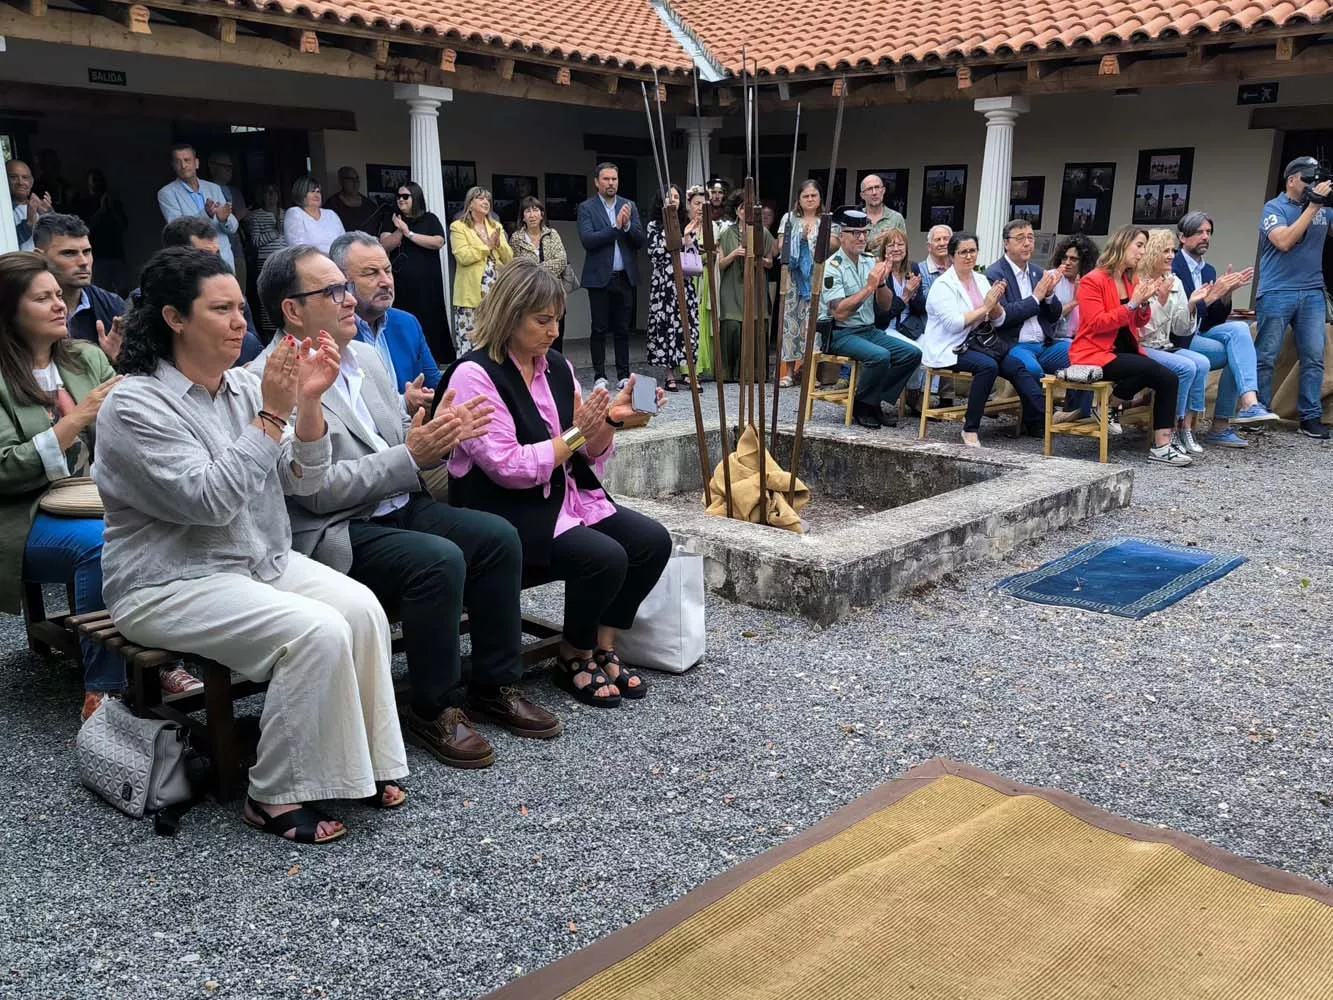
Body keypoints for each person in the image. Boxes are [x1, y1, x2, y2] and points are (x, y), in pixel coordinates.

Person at [95, 246, 408, 842]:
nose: (242, 322)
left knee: (361, 610)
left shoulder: (243, 386)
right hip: (167, 583)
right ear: (174, 318)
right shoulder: (134, 404)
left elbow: (305, 479)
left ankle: (360, 764)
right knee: (313, 632)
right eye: (222, 310)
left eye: (242, 308)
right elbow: (207, 500)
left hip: (255, 561)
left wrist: (309, 403)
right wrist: (272, 414)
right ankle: (274, 793)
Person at [249, 245, 557, 768]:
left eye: (346, 287)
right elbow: (310, 491)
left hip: (398, 502)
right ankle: (433, 706)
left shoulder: (363, 356)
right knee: (437, 560)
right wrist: (410, 454)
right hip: (336, 528)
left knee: (497, 537)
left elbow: (388, 439)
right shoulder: (271, 376)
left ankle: (495, 683)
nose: (349, 299)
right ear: (292, 310)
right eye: (334, 290)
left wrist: (427, 432)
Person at [444, 259, 672, 709]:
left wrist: (609, 420)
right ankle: (574, 653)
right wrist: (579, 433)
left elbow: (589, 452)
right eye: (542, 320)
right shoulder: (475, 374)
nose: (552, 331)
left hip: (560, 500)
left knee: (651, 541)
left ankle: (603, 644)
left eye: (557, 320)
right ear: (510, 315)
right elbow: (508, 465)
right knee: (604, 557)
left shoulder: (556, 367)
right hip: (503, 510)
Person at [0, 252, 140, 720]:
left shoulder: (86, 357)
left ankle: (168, 657)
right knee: (101, 546)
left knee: (168, 520)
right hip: (24, 513)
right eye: (42, 298)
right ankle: (105, 689)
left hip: (94, 495)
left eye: (58, 295)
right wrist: (76, 419)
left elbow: (127, 438)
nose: (60, 305)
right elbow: (4, 469)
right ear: (10, 311)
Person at [1070, 225, 1189, 466]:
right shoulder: (1093, 280)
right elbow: (1096, 324)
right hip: (1095, 352)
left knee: (1168, 377)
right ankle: (1115, 408)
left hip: (1125, 348)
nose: (1143, 252)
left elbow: (1138, 321)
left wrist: (1144, 304)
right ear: (1122, 245)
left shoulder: (1130, 278)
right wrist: (1133, 304)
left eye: (1144, 246)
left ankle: (1162, 444)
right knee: (1152, 369)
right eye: (1139, 245)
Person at [1173, 211, 1278, 447]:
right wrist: (1211, 297)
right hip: (1178, 337)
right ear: (1182, 237)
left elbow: (1213, 322)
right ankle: (1221, 425)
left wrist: (1226, 295)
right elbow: (1176, 318)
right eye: (1199, 232)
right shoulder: (1173, 266)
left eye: (1208, 232)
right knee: (1236, 355)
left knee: (1240, 329)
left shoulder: (1208, 270)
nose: (1205, 237)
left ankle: (1249, 403)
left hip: (1200, 332)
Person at [817, 208, 921, 429]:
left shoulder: (869, 260)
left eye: (864, 232)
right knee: (880, 356)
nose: (862, 237)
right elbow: (840, 312)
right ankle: (864, 406)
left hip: (868, 329)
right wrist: (869, 287)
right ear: (841, 235)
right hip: (840, 332)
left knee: (912, 354)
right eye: (855, 233)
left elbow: (884, 306)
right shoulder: (831, 267)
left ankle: (869, 400)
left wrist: (881, 283)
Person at [1256, 156, 1333, 439]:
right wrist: (1313, 206)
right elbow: (1284, 241)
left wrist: (1321, 201)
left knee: (1314, 356)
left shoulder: (1322, 209)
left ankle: (1309, 417)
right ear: (1291, 180)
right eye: (1308, 180)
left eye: (1317, 181)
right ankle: (1258, 413)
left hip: (1312, 290)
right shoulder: (1274, 208)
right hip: (1277, 290)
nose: (1313, 186)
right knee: (1266, 356)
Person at [919, 231, 1016, 446]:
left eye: (973, 251)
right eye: (963, 252)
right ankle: (970, 428)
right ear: (952, 256)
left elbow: (998, 321)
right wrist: (986, 307)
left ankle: (1035, 421)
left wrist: (996, 305)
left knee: (1016, 364)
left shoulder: (981, 279)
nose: (969, 256)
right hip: (951, 345)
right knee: (988, 367)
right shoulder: (943, 285)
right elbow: (954, 324)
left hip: (979, 341)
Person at [330, 231, 439, 410]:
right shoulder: (333, 333)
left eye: (388, 271)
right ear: (342, 283)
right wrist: (405, 404)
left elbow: (435, 385)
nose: (386, 282)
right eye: (371, 273)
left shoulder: (407, 324)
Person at [985, 219, 1077, 430]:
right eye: (1020, 239)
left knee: (1082, 354)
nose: (1027, 243)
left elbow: (1053, 316)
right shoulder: (995, 274)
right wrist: (1036, 298)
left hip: (1044, 344)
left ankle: (1075, 413)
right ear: (1006, 244)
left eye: (1030, 238)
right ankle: (1037, 422)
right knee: (1032, 370)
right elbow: (1003, 317)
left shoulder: (1037, 272)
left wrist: (1049, 296)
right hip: (1014, 344)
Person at [1135, 228, 1216, 455]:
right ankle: (1170, 429)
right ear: (1152, 252)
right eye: (1165, 251)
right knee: (1186, 367)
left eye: (1172, 250)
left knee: (1202, 363)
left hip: (1165, 345)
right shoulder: (1138, 282)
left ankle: (1186, 427)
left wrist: (1191, 304)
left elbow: (1180, 328)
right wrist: (1159, 302)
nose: (1172, 255)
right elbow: (1142, 330)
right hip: (1143, 346)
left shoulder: (1174, 281)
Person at [160, 217, 264, 365]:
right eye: (221, 308)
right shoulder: (146, 299)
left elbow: (251, 348)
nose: (215, 264)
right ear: (174, 318)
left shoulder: (233, 296)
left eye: (217, 255)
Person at [577, 163, 645, 391]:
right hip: (599, 278)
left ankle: (624, 375)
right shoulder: (587, 208)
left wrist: (626, 228)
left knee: (623, 328)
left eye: (614, 179)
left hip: (624, 276)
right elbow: (588, 240)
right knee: (599, 328)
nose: (611, 183)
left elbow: (639, 239)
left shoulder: (629, 205)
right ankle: (600, 375)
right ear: (597, 182)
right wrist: (616, 228)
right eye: (606, 179)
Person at [32, 214, 125, 358]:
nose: (83, 262)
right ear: (40, 257)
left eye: (87, 252)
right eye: (69, 253)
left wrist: (115, 361)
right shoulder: (23, 311)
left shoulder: (113, 305)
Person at [382, 181, 449, 364]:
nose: (401, 200)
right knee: (404, 318)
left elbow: (438, 242)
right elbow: (384, 244)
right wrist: (400, 230)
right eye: (398, 196)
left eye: (405, 196)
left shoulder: (429, 218)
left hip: (428, 281)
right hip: (402, 281)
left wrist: (409, 232)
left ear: (415, 197)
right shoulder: (392, 219)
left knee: (429, 317)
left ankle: (434, 359)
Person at [716, 191, 777, 385]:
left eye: (750, 208)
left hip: (755, 284)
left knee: (755, 324)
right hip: (731, 285)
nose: (746, 211)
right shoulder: (726, 233)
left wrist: (757, 258)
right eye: (742, 207)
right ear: (737, 210)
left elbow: (770, 262)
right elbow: (720, 264)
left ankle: (754, 373)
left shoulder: (763, 232)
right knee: (732, 325)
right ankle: (728, 373)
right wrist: (735, 253)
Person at [645, 184, 701, 392]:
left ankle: (691, 374)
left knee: (688, 327)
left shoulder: (686, 222)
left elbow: (692, 250)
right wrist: (678, 240)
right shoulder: (654, 226)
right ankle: (669, 374)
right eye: (670, 197)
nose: (674, 200)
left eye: (677, 197)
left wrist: (687, 238)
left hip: (684, 281)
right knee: (667, 326)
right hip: (664, 283)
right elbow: (655, 254)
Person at [450, 186, 513, 361]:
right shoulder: (458, 227)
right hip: (470, 294)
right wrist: (487, 247)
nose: (486, 202)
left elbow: (508, 258)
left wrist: (499, 244)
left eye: (487, 199)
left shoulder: (496, 226)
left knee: (495, 337)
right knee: (469, 340)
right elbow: (463, 256)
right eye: (480, 199)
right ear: (470, 204)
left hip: (495, 291)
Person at [156, 143, 239, 270]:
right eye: (178, 162)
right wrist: (206, 214)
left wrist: (224, 219)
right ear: (173, 166)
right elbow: (178, 231)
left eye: (187, 160)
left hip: (223, 260)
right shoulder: (166, 193)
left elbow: (233, 227)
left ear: (196, 163)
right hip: (195, 263)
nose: (183, 165)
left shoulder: (214, 188)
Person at [775, 179, 823, 388]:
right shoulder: (790, 218)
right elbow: (779, 245)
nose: (810, 199)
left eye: (814, 195)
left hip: (815, 278)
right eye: (806, 196)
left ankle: (811, 374)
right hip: (793, 279)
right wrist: (798, 237)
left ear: (820, 198)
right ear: (799, 199)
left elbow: (835, 245)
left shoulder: (826, 221)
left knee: (813, 325)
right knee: (790, 325)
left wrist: (815, 238)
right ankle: (789, 372)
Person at [510, 195, 570, 354]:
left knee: (556, 335)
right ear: (522, 216)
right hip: (530, 294)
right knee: (535, 334)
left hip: (554, 292)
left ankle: (555, 368)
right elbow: (518, 266)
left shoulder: (552, 234)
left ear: (542, 214)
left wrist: (536, 271)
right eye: (527, 211)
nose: (532, 214)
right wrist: (536, 273)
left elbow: (561, 260)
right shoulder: (516, 238)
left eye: (535, 210)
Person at [71, 169, 129, 294]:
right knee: (100, 291)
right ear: (88, 183)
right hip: (97, 255)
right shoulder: (84, 204)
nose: (98, 184)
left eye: (101, 180)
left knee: (123, 291)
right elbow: (84, 230)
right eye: (94, 180)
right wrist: (101, 210)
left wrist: (111, 207)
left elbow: (124, 226)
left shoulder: (113, 202)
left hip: (116, 254)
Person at [245, 182, 286, 336]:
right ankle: (269, 333)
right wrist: (274, 233)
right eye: (267, 192)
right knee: (268, 295)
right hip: (266, 261)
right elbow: (255, 242)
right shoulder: (256, 216)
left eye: (274, 191)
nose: (271, 196)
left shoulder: (286, 213)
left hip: (285, 260)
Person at [872, 227, 926, 340]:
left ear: (906, 248)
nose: (896, 249)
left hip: (910, 328)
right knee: (919, 352)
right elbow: (881, 317)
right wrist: (905, 296)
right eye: (891, 245)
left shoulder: (913, 268)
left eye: (900, 245)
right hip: (887, 329)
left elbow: (921, 309)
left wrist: (914, 294)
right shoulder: (880, 271)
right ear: (884, 250)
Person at [207, 152, 249, 296]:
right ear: (212, 167)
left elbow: (243, 216)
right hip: (213, 251)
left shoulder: (235, 191)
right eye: (225, 166)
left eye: (231, 166)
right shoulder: (206, 190)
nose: (229, 170)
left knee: (240, 293)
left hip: (236, 249)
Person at [684, 186, 714, 381]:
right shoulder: (683, 227)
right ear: (689, 205)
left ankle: (700, 367)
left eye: (704, 205)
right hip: (688, 278)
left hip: (706, 276)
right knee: (687, 321)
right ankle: (687, 369)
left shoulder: (712, 228)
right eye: (696, 204)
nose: (699, 208)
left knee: (703, 322)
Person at [282, 176, 345, 254]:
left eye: (318, 191)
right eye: (312, 191)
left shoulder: (331, 214)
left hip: (337, 263)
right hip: (310, 264)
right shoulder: (295, 213)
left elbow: (343, 242)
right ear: (302, 193)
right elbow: (298, 249)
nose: (316, 195)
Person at [8, 160, 51, 252]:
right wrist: (29, 222)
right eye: (13, 177)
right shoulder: (5, 209)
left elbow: (59, 236)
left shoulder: (40, 205)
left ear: (31, 182)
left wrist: (47, 214)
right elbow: (7, 239)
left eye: (25, 177)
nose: (20, 182)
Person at [325, 166, 382, 235]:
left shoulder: (369, 205)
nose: (355, 182)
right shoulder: (331, 205)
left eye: (357, 179)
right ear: (341, 181)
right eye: (350, 179)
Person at [858, 174, 908, 242]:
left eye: (877, 187)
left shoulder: (896, 219)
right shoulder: (856, 218)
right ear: (862, 195)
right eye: (869, 189)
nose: (874, 192)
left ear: (883, 190)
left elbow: (902, 247)